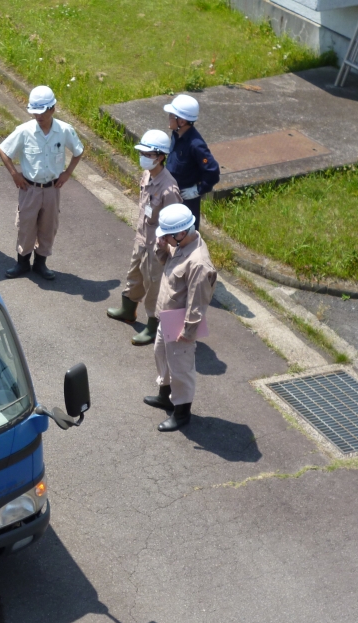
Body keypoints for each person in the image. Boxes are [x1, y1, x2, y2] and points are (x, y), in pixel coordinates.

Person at [0, 85, 84, 281]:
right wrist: (14, 174)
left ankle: (40, 264)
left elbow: (78, 151)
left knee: (48, 226)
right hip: (29, 188)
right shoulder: (24, 131)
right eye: (35, 112)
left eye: (42, 112)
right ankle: (22, 263)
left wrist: (67, 173)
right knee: (26, 225)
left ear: (52, 108)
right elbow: (3, 150)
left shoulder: (63, 130)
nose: (38, 116)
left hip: (52, 188)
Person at [145, 204, 217, 432]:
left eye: (167, 235)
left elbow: (198, 302)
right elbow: (168, 266)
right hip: (166, 318)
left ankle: (182, 413)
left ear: (181, 233)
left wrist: (188, 332)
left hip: (180, 324)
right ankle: (165, 396)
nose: (164, 238)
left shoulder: (198, 262)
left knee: (181, 369)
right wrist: (161, 248)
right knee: (161, 354)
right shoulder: (179, 244)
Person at [107, 129, 182, 346]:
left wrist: (167, 247)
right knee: (134, 274)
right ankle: (128, 309)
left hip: (158, 246)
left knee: (154, 286)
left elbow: (176, 223)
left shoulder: (169, 189)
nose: (142, 157)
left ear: (160, 157)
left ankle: (153, 325)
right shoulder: (148, 175)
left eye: (147, 155)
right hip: (142, 237)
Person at [164, 94, 220, 230]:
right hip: (172, 193)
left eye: (172, 115)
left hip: (186, 200)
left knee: (184, 235)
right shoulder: (176, 134)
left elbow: (212, 170)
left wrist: (198, 190)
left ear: (182, 121)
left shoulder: (196, 145)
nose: (169, 118)